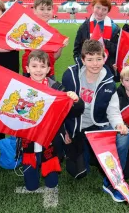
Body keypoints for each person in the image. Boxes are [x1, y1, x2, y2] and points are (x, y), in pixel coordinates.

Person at [62, 39, 129, 203]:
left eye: (98, 58)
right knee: (78, 172)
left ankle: (112, 183)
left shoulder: (108, 80)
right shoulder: (70, 75)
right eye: (90, 59)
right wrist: (64, 130)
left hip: (98, 126)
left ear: (104, 57)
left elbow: (113, 111)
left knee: (124, 135)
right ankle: (89, 155)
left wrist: (119, 124)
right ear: (83, 59)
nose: (95, 63)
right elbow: (61, 107)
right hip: (77, 128)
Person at [20, 50, 83, 192]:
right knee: (31, 186)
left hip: (51, 138)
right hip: (28, 138)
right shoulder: (19, 87)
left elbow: (74, 110)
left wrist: (75, 99)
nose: (38, 70)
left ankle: (50, 175)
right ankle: (32, 174)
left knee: (52, 183)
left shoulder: (57, 88)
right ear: (27, 68)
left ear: (48, 69)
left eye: (42, 66)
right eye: (34, 66)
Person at [73, 0, 120, 78]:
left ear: (108, 11)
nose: (100, 12)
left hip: (106, 71)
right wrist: (81, 64)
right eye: (98, 7)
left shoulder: (115, 29)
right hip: (86, 71)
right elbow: (76, 50)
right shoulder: (84, 27)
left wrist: (103, 42)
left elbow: (118, 51)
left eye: (104, 9)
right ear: (93, 7)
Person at [22, 0, 67, 80]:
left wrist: (61, 46)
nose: (46, 12)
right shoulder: (28, 29)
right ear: (34, 10)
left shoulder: (54, 33)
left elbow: (55, 56)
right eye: (42, 9)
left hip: (48, 72)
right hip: (29, 72)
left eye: (49, 9)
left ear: (53, 11)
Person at [0, 0, 20, 143]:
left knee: (5, 106)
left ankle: (2, 140)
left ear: (3, 12)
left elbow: (16, 45)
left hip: (9, 73)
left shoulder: (11, 27)